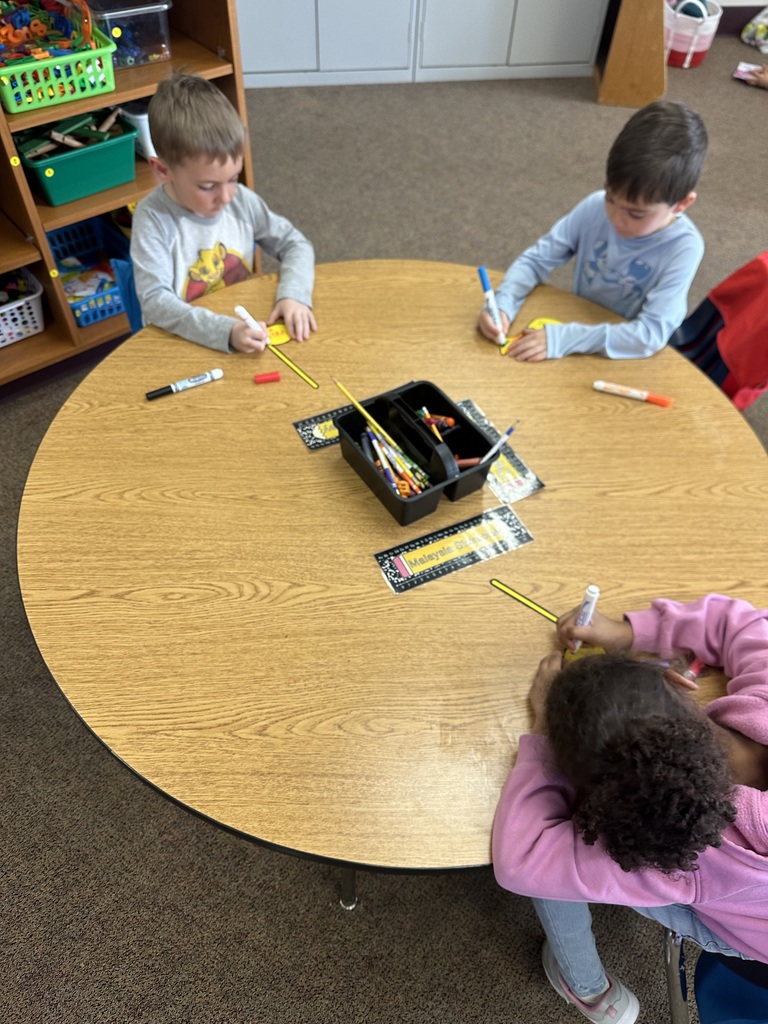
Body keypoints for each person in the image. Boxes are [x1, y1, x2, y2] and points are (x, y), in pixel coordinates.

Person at [492, 593, 768, 1024]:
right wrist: (627, 633)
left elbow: (522, 859)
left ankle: (586, 989)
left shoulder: (683, 855)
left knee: (560, 868)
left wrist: (542, 735)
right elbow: (746, 623)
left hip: (753, 951)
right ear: (681, 681)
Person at [478, 101, 707, 362]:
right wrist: (503, 304)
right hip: (577, 331)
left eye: (635, 214)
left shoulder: (684, 247)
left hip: (623, 358)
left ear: (681, 204)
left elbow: (650, 335)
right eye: (611, 198)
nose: (616, 219)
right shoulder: (595, 206)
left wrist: (564, 338)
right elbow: (535, 261)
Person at [131, 71, 316, 354]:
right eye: (207, 186)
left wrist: (294, 295)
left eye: (233, 178)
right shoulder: (153, 219)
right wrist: (224, 332)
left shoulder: (242, 201)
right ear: (163, 170)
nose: (227, 196)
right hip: (183, 340)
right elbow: (156, 301)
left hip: (245, 329)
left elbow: (295, 244)